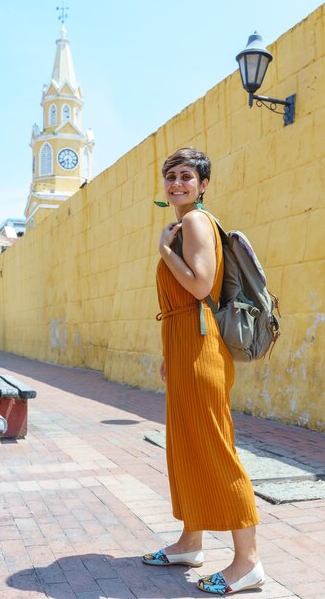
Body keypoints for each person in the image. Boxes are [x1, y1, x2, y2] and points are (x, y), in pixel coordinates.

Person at [142, 148, 264, 596]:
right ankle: (190, 542)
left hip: (199, 346)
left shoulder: (194, 222)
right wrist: (168, 353)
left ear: (203, 184)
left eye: (186, 176)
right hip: (185, 345)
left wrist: (162, 249)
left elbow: (197, 284)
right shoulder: (185, 222)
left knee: (213, 448)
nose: (177, 184)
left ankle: (247, 562)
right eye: (171, 176)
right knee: (187, 447)